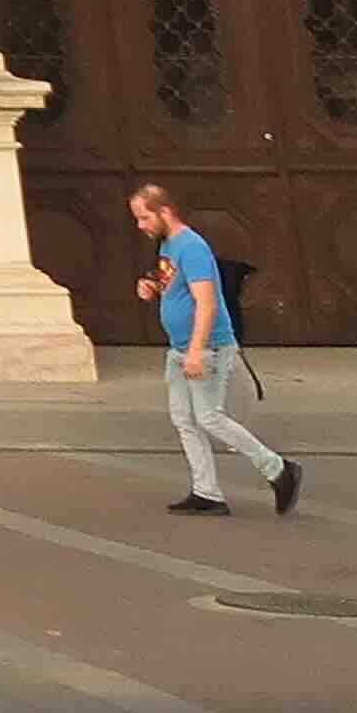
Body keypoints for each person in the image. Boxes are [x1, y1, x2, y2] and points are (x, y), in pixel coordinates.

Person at [131, 178, 298, 518]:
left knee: (209, 417)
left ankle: (278, 469)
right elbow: (175, 286)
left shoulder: (191, 247)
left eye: (144, 217)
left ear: (165, 212)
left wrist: (195, 350)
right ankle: (206, 492)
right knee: (185, 420)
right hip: (180, 348)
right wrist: (152, 287)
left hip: (207, 348)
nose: (140, 225)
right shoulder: (167, 246)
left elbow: (206, 303)